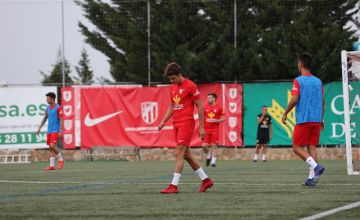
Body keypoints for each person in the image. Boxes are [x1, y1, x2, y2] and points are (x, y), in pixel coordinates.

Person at [158, 62, 213, 194]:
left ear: (179, 74)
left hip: (186, 123)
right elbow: (172, 105)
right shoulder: (172, 87)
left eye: (173, 78)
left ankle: (173, 186)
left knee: (179, 153)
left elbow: (200, 105)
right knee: (187, 154)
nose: (172, 81)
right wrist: (163, 120)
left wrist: (201, 127)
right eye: (170, 79)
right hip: (176, 123)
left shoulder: (190, 86)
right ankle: (206, 180)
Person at [282, 52, 325, 186]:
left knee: (296, 147)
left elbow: (294, 99)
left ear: (300, 64)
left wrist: (285, 113)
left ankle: (316, 167)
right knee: (311, 147)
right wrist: (321, 118)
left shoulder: (298, 80)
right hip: (316, 119)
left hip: (304, 119)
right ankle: (312, 178)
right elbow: (322, 101)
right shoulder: (318, 81)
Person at [37, 92, 65, 171]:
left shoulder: (58, 107)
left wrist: (60, 130)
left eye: (48, 98)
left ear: (52, 99)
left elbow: (61, 119)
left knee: (52, 145)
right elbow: (45, 118)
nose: (47, 100)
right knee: (50, 148)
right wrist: (39, 128)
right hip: (49, 130)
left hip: (55, 130)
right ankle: (52, 166)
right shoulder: (48, 108)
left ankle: (61, 160)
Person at [202, 93, 225, 167]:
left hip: (215, 130)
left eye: (210, 98)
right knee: (204, 146)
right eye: (208, 98)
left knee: (214, 146)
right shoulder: (205, 107)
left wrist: (218, 121)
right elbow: (201, 118)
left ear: (214, 99)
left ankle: (213, 162)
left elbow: (223, 118)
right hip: (206, 130)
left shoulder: (219, 107)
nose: (208, 99)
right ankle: (208, 156)